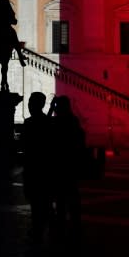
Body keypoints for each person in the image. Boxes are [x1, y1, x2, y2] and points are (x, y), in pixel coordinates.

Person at [48, 95, 85, 242]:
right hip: (70, 165)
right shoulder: (73, 121)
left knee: (61, 198)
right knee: (72, 195)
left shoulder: (57, 122)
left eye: (58, 106)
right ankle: (75, 224)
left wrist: (51, 108)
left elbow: (45, 126)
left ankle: (62, 225)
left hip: (59, 165)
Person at [20, 92, 53, 243]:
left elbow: (23, 144)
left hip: (33, 167)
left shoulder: (29, 123)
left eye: (30, 103)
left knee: (37, 201)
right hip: (43, 168)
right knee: (43, 201)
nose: (29, 105)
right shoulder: (47, 122)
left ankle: (39, 228)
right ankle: (46, 227)